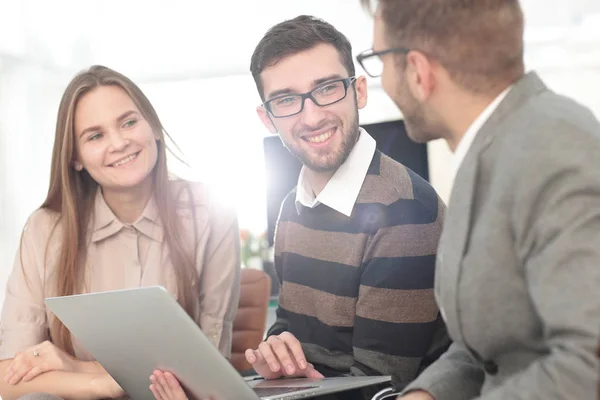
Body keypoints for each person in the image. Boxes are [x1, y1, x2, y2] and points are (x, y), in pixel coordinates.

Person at [149, 14, 449, 400]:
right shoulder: (294, 205)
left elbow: (379, 388)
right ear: (267, 118)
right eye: (287, 100)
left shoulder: (405, 211)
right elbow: (291, 325)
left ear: (359, 91)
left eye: (326, 89)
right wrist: (276, 352)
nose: (311, 116)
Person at [357, 1, 600, 399]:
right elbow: (492, 352)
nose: (382, 78)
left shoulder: (556, 154)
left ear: (418, 72)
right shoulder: (493, 150)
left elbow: (587, 370)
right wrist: (426, 395)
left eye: (379, 60)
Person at [0, 65, 241, 400]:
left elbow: (210, 375)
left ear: (153, 126)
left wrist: (72, 365)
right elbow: (7, 377)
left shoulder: (210, 213)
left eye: (129, 122)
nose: (119, 142)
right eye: (95, 136)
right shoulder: (46, 229)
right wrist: (99, 384)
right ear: (76, 158)